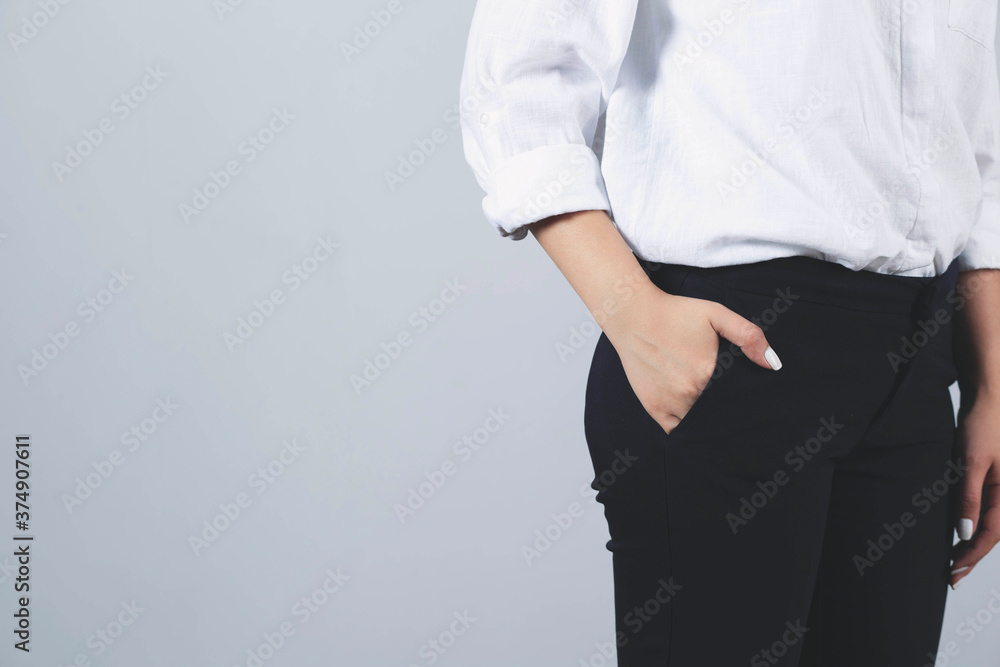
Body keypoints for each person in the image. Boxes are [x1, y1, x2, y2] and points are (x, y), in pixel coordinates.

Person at [458, 2, 1000, 664]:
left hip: (919, 367)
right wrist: (634, 315)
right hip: (736, 350)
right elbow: (518, 75)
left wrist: (991, 387)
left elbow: (979, 141)